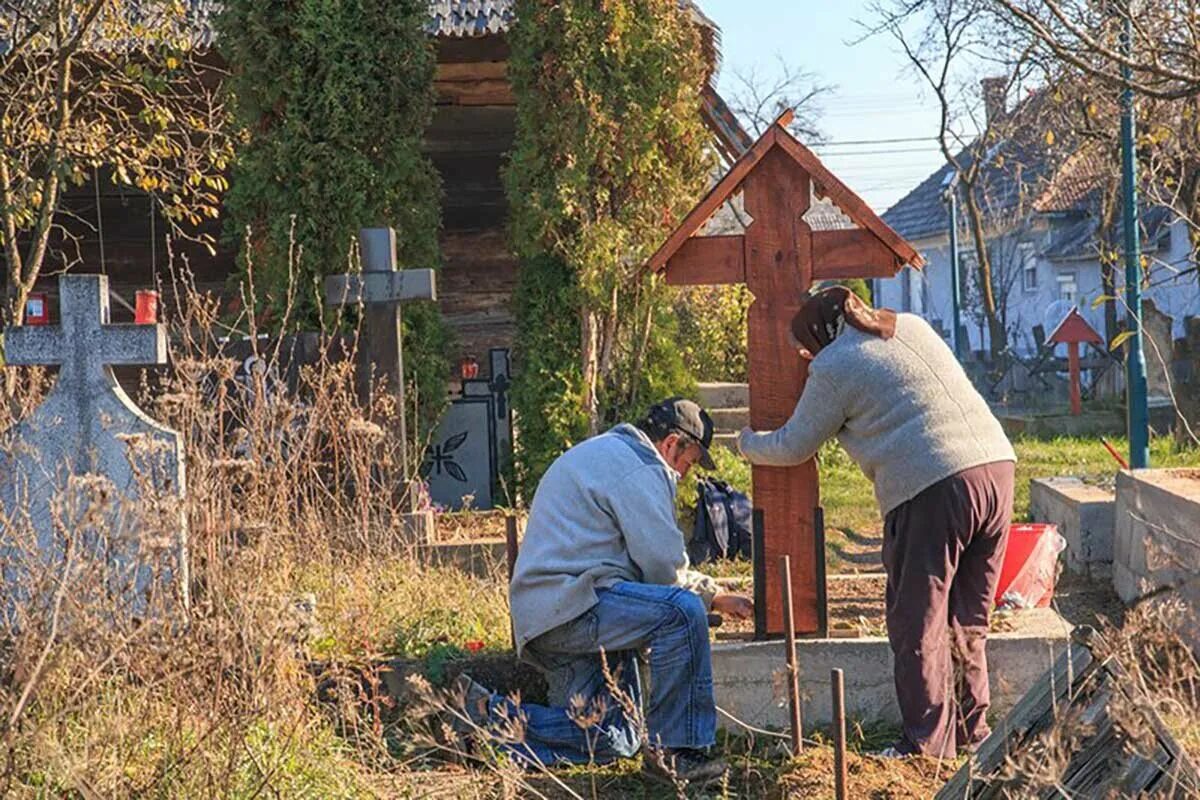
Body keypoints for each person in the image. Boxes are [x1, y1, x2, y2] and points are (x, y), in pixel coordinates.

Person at [737, 287, 1015, 759]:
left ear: (819, 334)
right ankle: (972, 735)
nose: (806, 357)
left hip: (932, 486)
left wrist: (746, 442)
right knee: (968, 617)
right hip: (997, 471)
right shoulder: (911, 325)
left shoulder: (834, 366)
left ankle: (924, 749)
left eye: (806, 347)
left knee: (918, 621)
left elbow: (792, 445)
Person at [455, 398, 752, 783]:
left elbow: (654, 570)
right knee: (682, 612)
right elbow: (662, 569)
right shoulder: (643, 468)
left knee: (615, 736)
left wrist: (714, 596)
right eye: (688, 462)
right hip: (576, 605)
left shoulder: (611, 454)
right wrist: (702, 600)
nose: (683, 474)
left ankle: (484, 719)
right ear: (672, 444)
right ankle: (676, 753)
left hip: (554, 613)